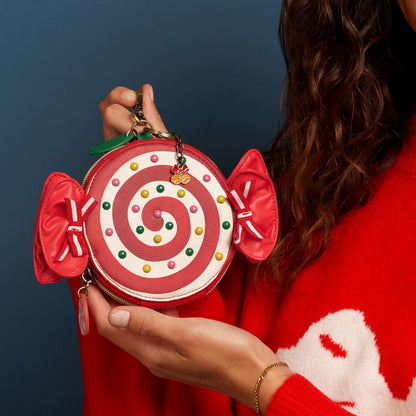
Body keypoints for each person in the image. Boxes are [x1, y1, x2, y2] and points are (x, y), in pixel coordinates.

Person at [68, 0, 416, 415]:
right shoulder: (310, 196)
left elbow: (246, 377)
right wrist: (145, 255)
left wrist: (264, 384)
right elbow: (181, 395)